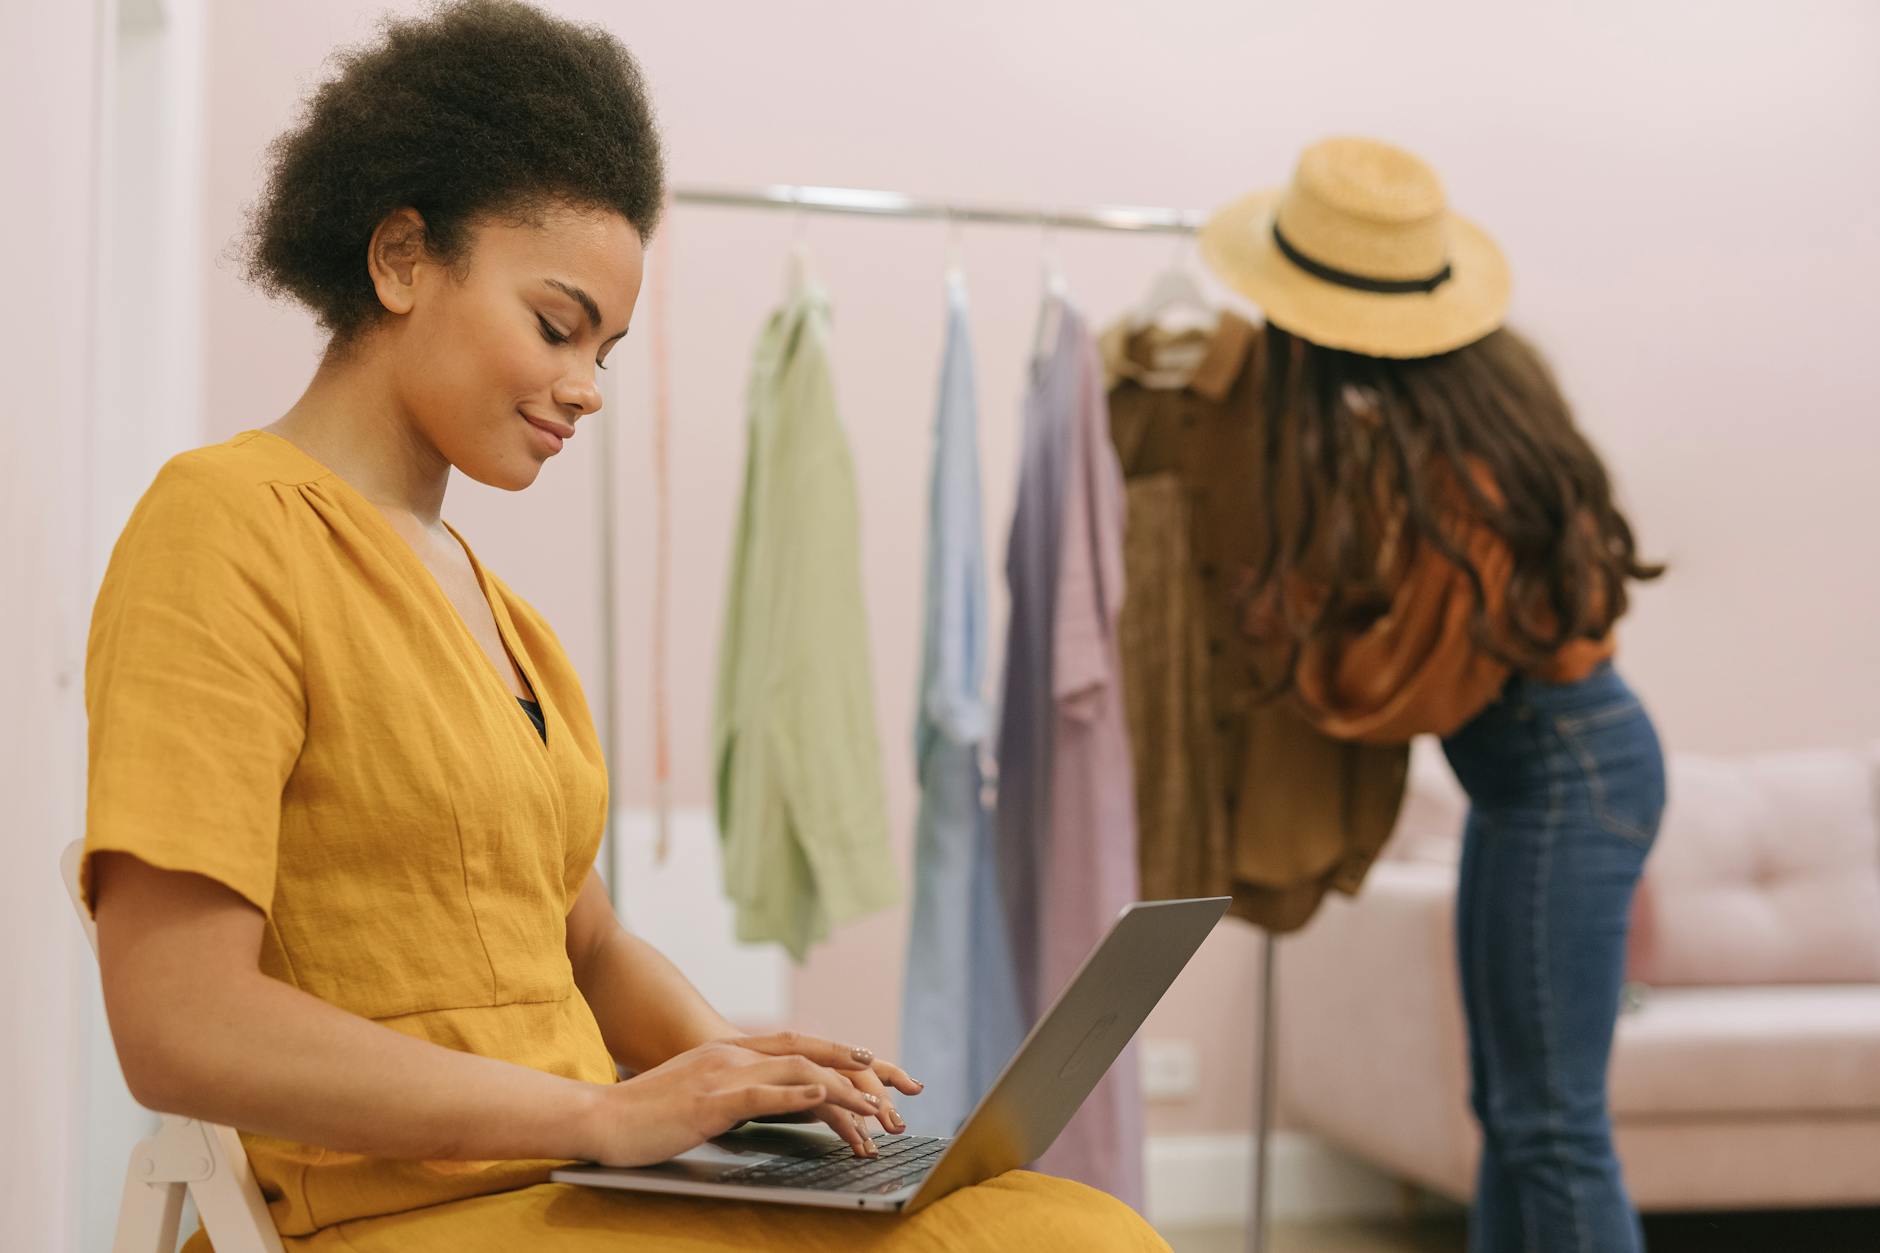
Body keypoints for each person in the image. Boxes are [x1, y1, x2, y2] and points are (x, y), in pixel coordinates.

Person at [80, 3, 1167, 1249]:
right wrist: (598, 1115)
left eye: (606, 346)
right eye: (556, 325)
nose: (587, 385)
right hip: (412, 1210)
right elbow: (177, 1023)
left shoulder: (501, 617)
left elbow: (586, 942)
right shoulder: (222, 529)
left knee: (1052, 1213)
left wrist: (742, 1069)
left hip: (574, 1187)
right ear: (398, 258)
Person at [1200, 136, 1666, 1253]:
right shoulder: (1452, 421)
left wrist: (1279, 619)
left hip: (1568, 777)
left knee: (1547, 1124)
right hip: (1552, 776)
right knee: (1511, 1117)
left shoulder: (1452, 474)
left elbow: (1390, 692)